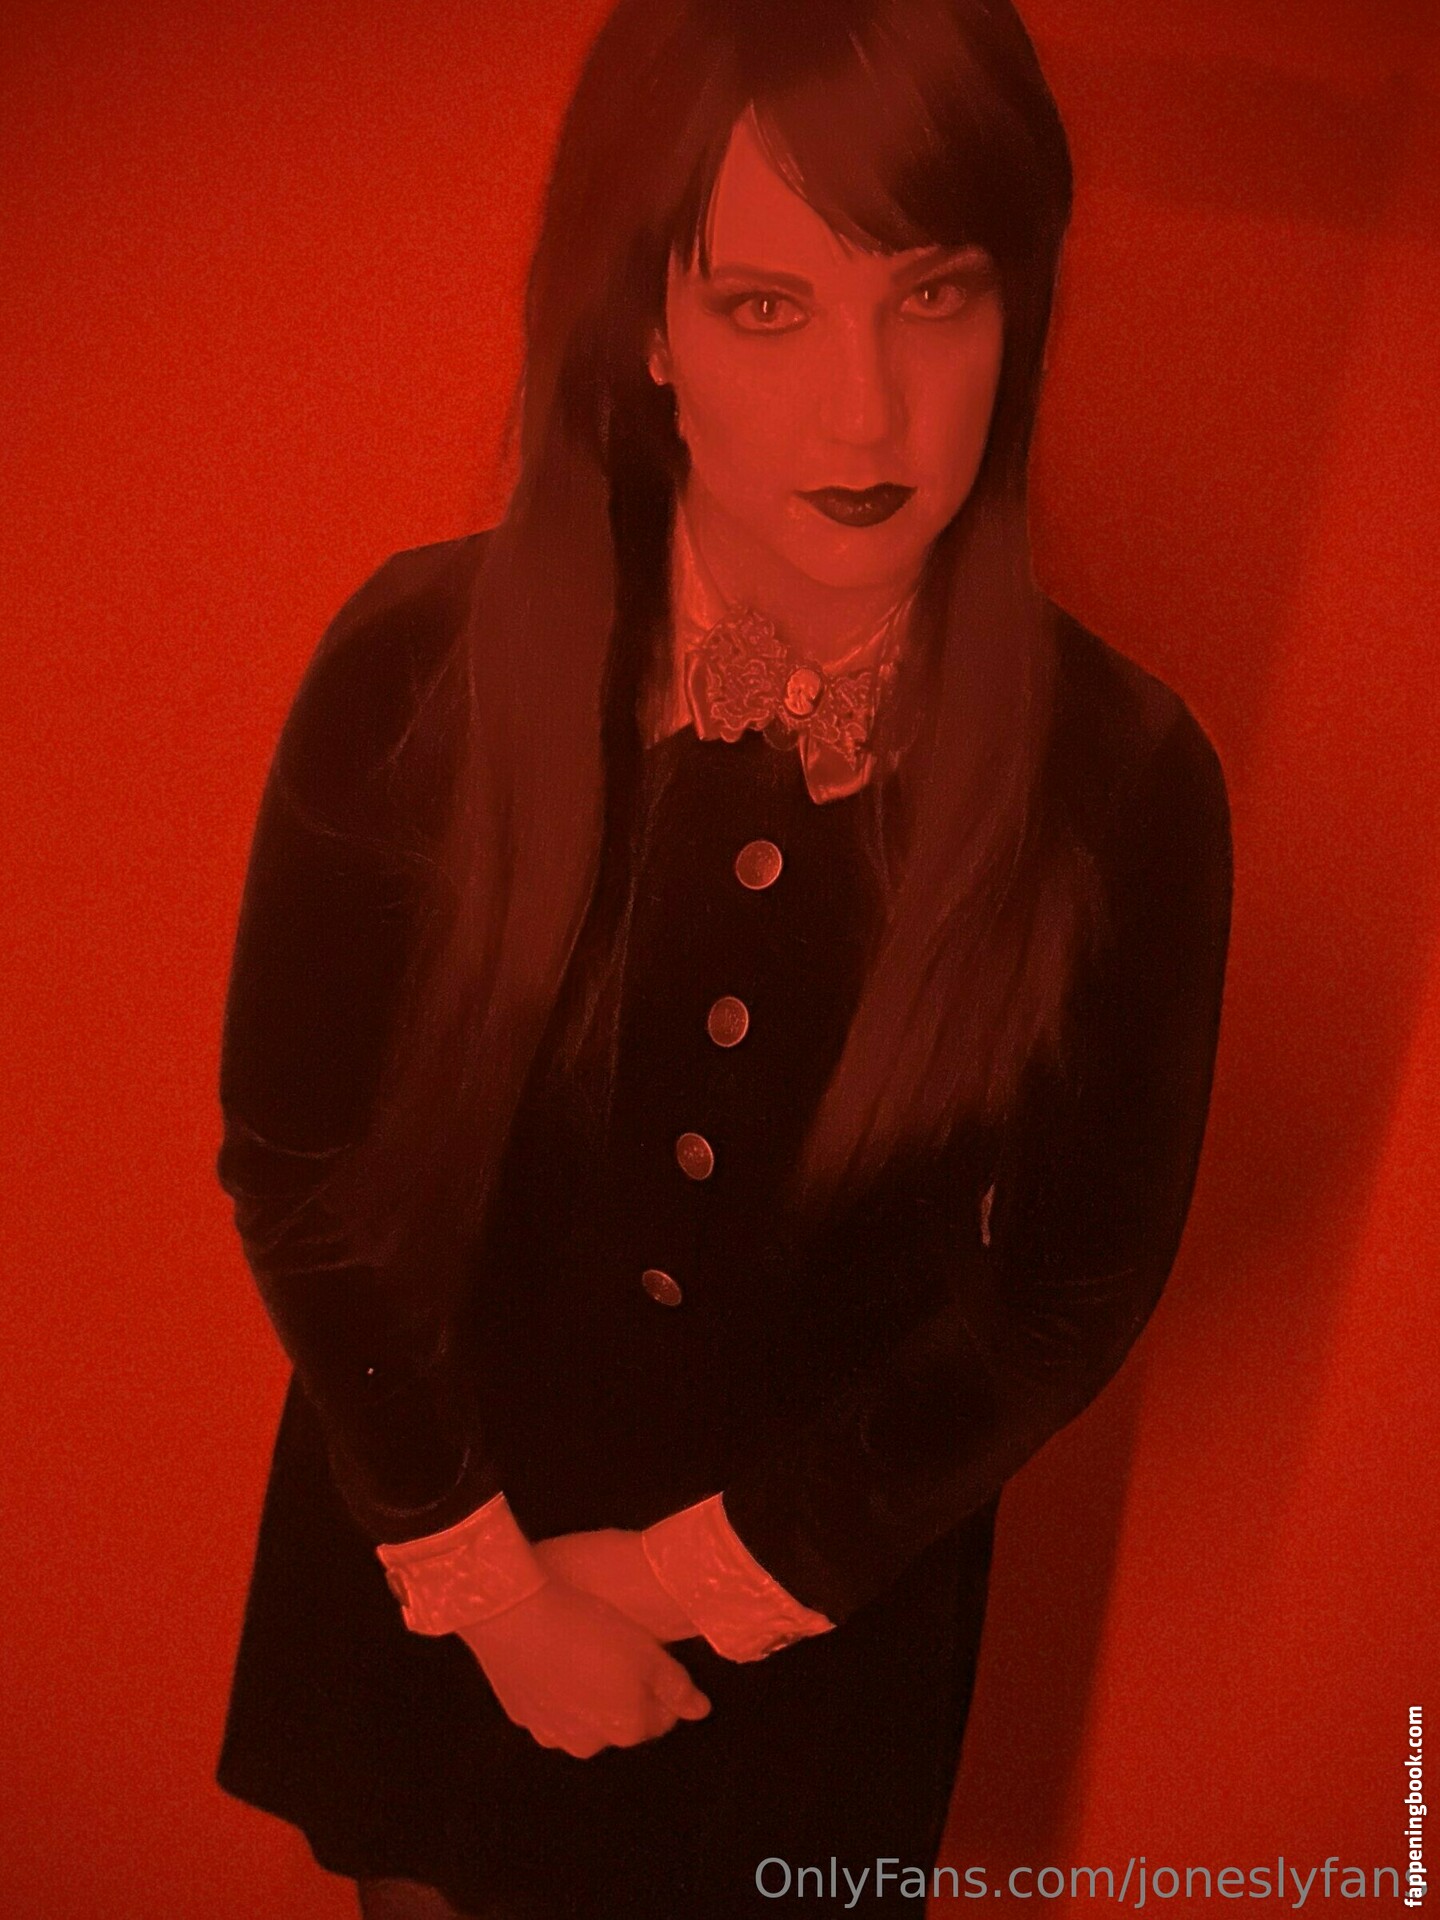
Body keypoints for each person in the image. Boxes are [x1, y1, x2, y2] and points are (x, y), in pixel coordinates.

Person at [213, 1, 1233, 1914]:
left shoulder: (1126, 782)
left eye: (932, 296)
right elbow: (296, 1158)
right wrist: (495, 1592)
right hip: (433, 1553)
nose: (867, 414)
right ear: (653, 328)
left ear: (1016, 305)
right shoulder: (418, 665)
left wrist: (689, 1580)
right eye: (768, 305)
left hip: (809, 1644)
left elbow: (1071, 1286)